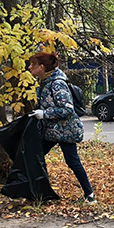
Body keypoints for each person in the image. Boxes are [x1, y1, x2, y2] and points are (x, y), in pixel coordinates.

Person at [27, 52, 96, 203]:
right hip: (52, 131)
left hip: (65, 130)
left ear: (42, 67)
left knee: (72, 161)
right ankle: (38, 193)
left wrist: (44, 114)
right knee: (35, 156)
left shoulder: (57, 83)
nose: (29, 67)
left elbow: (67, 109)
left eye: (33, 64)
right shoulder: (45, 81)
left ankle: (90, 195)